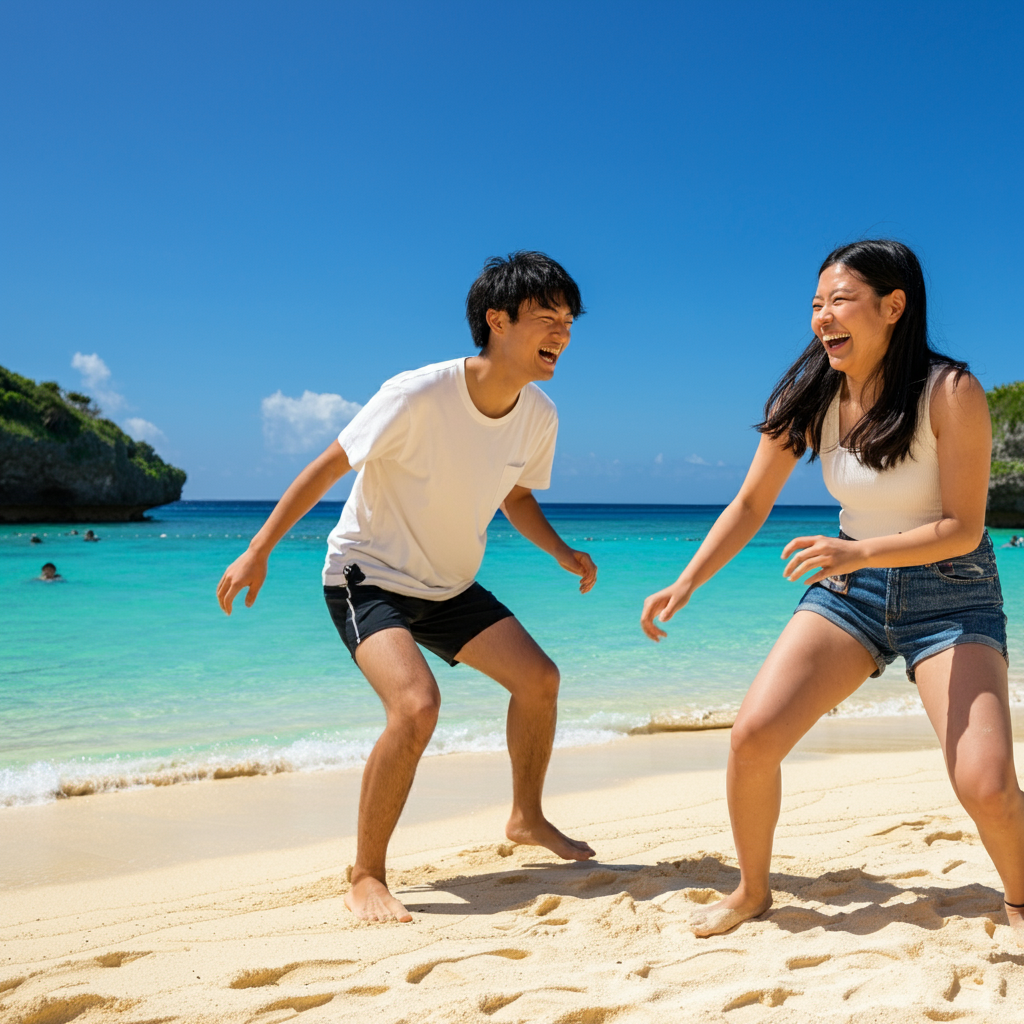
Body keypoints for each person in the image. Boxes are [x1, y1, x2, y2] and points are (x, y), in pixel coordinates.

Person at [641, 239, 1023, 944]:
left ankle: (1021, 901)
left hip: (952, 595)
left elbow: (965, 528)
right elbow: (751, 504)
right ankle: (753, 890)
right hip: (851, 593)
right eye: (816, 304)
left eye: (839, 301)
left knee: (986, 784)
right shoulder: (810, 393)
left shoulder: (950, 391)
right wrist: (687, 580)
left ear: (893, 306)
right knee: (753, 737)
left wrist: (861, 547)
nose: (822, 318)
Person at [218, 251, 598, 924]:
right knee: (417, 705)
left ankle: (526, 816)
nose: (562, 333)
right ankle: (366, 874)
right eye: (548, 317)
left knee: (540, 680)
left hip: (448, 583)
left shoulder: (539, 415)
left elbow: (515, 497)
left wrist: (562, 552)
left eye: (569, 320)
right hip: (367, 577)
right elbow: (327, 466)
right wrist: (257, 550)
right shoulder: (417, 393)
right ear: (497, 321)